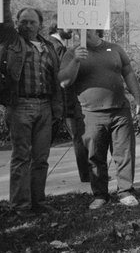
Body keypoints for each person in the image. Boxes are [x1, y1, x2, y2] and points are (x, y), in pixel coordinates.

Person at [0, 0, 63, 216]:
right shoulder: (11, 41)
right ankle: (20, 205)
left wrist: (56, 108)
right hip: (20, 105)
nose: (26, 25)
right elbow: (2, 18)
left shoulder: (48, 47)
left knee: (41, 158)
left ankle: (38, 201)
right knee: (21, 157)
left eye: (31, 22)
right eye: (22, 21)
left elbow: (55, 80)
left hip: (44, 106)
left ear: (40, 25)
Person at [59, 29, 140, 209]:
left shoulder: (115, 49)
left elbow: (128, 73)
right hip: (90, 113)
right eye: (79, 30)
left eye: (88, 28)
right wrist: (75, 60)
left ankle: (125, 191)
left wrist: (137, 97)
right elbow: (64, 82)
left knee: (124, 153)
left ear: (97, 28)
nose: (84, 32)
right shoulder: (71, 53)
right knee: (95, 156)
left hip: (120, 110)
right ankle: (100, 195)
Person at [46, 23, 91, 183]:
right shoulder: (56, 46)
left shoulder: (57, 44)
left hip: (66, 101)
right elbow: (61, 75)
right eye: (67, 26)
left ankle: (87, 174)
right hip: (67, 101)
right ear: (57, 27)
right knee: (78, 137)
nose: (71, 30)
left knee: (78, 137)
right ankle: (87, 174)